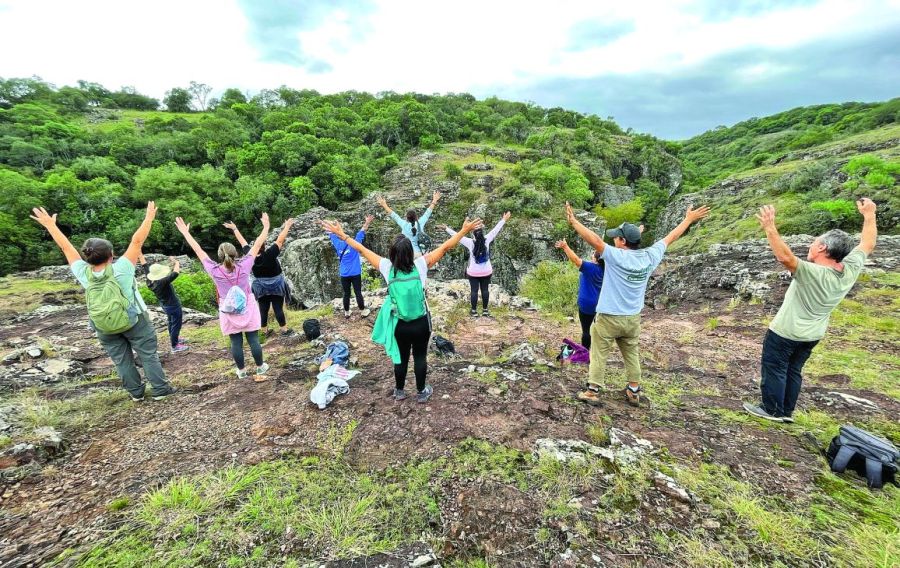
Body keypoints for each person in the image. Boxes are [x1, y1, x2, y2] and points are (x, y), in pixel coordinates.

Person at [319, 216, 483, 403]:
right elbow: (445, 246)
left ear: (392, 253)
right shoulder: (421, 265)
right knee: (420, 357)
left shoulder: (387, 267)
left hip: (400, 323)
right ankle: (421, 392)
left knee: (401, 357)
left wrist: (342, 235)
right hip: (421, 322)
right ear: (410, 253)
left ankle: (399, 391)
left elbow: (361, 250)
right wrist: (463, 231)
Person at [743, 198, 877, 423]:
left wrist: (770, 227)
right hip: (813, 334)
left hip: (786, 331)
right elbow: (867, 243)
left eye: (814, 243)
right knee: (793, 370)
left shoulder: (813, 273)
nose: (810, 246)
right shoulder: (849, 268)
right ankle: (786, 411)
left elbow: (785, 257)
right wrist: (869, 215)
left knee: (775, 367)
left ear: (823, 248)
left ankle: (772, 410)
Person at [566, 202, 710, 407]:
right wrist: (688, 219)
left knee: (599, 353)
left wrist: (574, 222)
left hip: (609, 317)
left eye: (616, 237)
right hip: (632, 318)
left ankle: (593, 390)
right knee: (631, 353)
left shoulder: (616, 256)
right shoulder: (650, 256)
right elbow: (670, 238)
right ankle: (633, 390)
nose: (614, 239)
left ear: (623, 241)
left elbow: (595, 241)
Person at [29, 203, 176, 402]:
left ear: (87, 257)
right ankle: (160, 390)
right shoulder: (122, 268)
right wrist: (149, 218)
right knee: (148, 355)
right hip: (135, 320)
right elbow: (137, 241)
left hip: (103, 325)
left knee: (121, 360)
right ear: (111, 254)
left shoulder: (83, 272)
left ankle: (136, 393)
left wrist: (51, 226)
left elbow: (66, 247)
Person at [177, 213, 271, 380]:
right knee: (253, 339)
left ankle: (241, 371)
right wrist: (266, 227)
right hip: (247, 306)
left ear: (220, 256)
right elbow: (257, 245)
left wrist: (186, 233)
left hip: (228, 309)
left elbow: (198, 250)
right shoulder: (245, 265)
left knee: (236, 342)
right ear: (235, 253)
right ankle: (260, 367)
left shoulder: (214, 270)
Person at [223, 217, 295, 337]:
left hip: (260, 286)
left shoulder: (250, 255)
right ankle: (284, 330)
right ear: (265, 245)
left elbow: (242, 242)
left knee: (263, 308)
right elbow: (280, 240)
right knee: (278, 308)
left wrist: (234, 228)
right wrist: (287, 226)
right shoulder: (271, 253)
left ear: (255, 246)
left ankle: (264, 331)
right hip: (276, 284)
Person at [441, 211, 511, 317]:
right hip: (486, 271)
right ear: (482, 233)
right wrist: (504, 219)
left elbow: (457, 236)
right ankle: (485, 310)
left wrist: (446, 228)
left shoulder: (469, 242)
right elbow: (496, 230)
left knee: (474, 290)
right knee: (485, 290)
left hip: (473, 272)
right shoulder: (487, 240)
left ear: (473, 234)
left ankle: (473, 311)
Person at [555, 239, 604, 350]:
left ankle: (585, 352)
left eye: (593, 254)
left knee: (586, 330)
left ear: (596, 259)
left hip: (587, 304)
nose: (591, 255)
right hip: (600, 304)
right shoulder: (606, 269)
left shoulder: (590, 268)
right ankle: (597, 350)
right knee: (597, 328)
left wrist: (565, 247)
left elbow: (576, 260)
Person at [138, 254, 189, 354]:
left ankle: (175, 339)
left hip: (165, 305)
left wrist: (139, 253)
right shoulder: (162, 282)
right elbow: (175, 273)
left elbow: (145, 265)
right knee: (176, 325)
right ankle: (175, 346)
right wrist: (176, 262)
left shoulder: (150, 281)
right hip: (173, 305)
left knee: (171, 322)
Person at [326, 215, 374, 319]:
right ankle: (362, 311)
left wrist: (328, 224)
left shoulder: (337, 244)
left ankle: (347, 312)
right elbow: (362, 230)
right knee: (358, 292)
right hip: (355, 273)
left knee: (346, 293)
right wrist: (367, 222)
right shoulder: (355, 244)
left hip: (344, 274)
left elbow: (330, 233)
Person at [376, 191, 441, 257]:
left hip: (407, 253)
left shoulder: (404, 225)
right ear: (416, 217)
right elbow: (428, 212)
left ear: (407, 218)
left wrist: (384, 205)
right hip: (418, 254)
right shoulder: (420, 223)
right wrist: (434, 200)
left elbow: (394, 215)